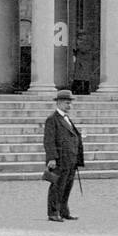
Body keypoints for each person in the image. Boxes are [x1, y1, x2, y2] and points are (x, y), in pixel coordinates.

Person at [43, 89, 84, 222]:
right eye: (67, 103)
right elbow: (49, 140)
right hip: (60, 159)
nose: (69, 105)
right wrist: (51, 158)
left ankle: (64, 211)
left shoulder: (66, 119)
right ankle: (53, 213)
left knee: (67, 187)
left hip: (70, 159)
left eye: (70, 103)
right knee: (57, 186)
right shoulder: (52, 119)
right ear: (59, 103)